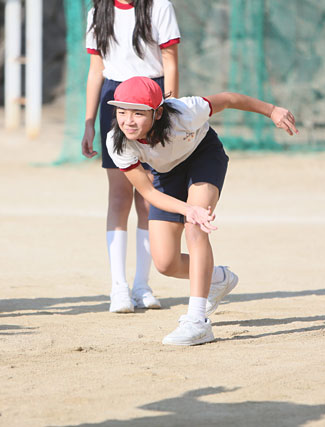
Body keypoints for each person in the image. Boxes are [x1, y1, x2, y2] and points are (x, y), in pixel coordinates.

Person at [105, 76, 298, 345]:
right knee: (165, 263)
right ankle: (218, 278)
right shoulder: (117, 141)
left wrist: (272, 110)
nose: (128, 121)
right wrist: (187, 208)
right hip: (166, 174)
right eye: (122, 112)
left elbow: (228, 99)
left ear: (157, 113)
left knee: (195, 227)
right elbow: (148, 192)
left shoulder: (185, 112)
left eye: (138, 113)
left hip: (203, 156)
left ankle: (198, 322)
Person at [81, 0, 181, 313]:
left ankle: (141, 284)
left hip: (153, 99)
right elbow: (96, 71)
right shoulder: (97, 12)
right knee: (119, 196)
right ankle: (118, 287)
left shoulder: (159, 7)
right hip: (115, 102)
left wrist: (170, 111)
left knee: (148, 198)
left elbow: (170, 62)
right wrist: (89, 122)